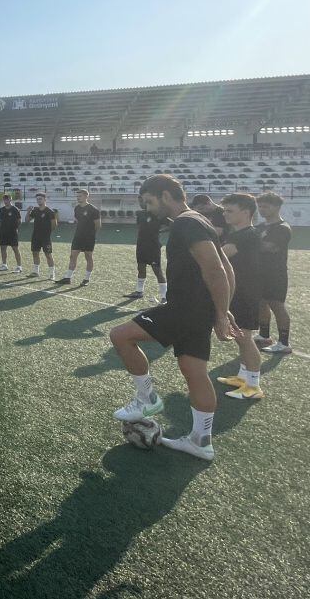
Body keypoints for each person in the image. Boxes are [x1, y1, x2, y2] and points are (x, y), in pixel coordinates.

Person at [108, 174, 236, 461]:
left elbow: (215, 269)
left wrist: (221, 313)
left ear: (165, 195)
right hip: (199, 311)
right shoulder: (200, 220)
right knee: (194, 371)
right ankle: (201, 441)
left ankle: (147, 398)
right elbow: (227, 268)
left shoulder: (185, 223)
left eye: (150, 202)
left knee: (120, 335)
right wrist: (222, 308)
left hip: (185, 308)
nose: (148, 209)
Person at [214, 193, 264, 400]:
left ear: (246, 212)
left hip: (245, 294)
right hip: (240, 292)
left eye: (230, 211)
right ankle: (243, 377)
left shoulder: (244, 235)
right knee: (240, 336)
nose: (225, 214)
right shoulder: (242, 233)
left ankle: (253, 386)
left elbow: (217, 258)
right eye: (224, 210)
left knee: (244, 338)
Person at [254, 192, 293, 354]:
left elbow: (267, 247)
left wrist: (250, 243)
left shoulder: (282, 228)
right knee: (261, 303)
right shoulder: (260, 227)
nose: (261, 209)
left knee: (277, 305)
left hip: (275, 274)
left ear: (277, 207)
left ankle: (284, 343)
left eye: (266, 206)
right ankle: (264, 336)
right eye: (260, 206)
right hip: (260, 273)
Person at [127, 203, 169, 301]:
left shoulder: (159, 214)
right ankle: (139, 291)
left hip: (153, 246)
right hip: (141, 245)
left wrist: (159, 231)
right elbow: (140, 227)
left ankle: (164, 296)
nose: (141, 202)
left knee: (157, 270)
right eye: (139, 201)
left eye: (142, 200)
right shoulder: (140, 214)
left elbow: (171, 225)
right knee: (141, 268)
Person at [58, 189, 101, 286]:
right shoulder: (77, 208)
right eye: (77, 196)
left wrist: (91, 235)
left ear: (86, 196)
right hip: (78, 236)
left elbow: (98, 225)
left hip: (89, 237)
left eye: (80, 196)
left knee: (88, 256)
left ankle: (86, 279)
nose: (78, 198)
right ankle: (68, 278)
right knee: (72, 256)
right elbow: (78, 220)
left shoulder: (93, 210)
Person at [24, 193, 58, 280]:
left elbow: (54, 225)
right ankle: (36, 272)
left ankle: (52, 274)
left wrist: (47, 232)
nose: (38, 200)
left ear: (45, 199)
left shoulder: (50, 212)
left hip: (45, 237)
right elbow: (27, 220)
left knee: (48, 255)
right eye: (37, 199)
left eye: (40, 199)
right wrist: (28, 211)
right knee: (35, 253)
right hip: (35, 236)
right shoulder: (35, 210)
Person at [0, 194, 22, 273]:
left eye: (7, 199)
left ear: (10, 200)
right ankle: (4, 265)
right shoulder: (1, 209)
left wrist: (16, 229)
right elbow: (1, 220)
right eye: (4, 199)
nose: (6, 201)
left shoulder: (15, 209)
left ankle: (19, 267)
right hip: (3, 232)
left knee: (15, 249)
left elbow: (19, 221)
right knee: (3, 248)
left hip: (13, 233)